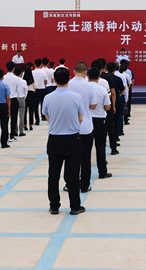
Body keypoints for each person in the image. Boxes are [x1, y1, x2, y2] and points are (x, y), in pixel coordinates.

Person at [42, 67, 85, 215]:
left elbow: (47, 117)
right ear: (69, 79)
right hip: (72, 138)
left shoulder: (48, 98)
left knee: (53, 174)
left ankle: (54, 205)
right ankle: (74, 206)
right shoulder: (76, 97)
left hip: (54, 139)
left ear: (55, 79)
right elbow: (80, 118)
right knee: (72, 175)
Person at [68, 62, 98, 192]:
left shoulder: (68, 84)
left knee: (70, 158)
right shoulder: (90, 86)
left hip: (70, 127)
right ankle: (85, 185)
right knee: (85, 158)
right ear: (86, 72)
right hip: (86, 126)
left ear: (74, 71)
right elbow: (93, 106)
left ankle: (69, 184)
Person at [88, 67, 112, 181]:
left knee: (85, 149)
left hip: (87, 121)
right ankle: (102, 172)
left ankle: (83, 174)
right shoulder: (102, 89)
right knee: (100, 147)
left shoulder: (84, 89)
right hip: (99, 120)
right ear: (99, 77)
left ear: (87, 76)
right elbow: (107, 107)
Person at [0, 69, 12, 149]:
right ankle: (4, 142)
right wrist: (9, 109)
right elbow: (8, 98)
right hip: (3, 106)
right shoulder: (5, 85)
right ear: (2, 76)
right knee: (4, 125)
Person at [14, 66, 28, 135]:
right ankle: (21, 131)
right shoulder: (23, 81)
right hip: (22, 98)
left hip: (15, 98)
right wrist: (24, 97)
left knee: (14, 115)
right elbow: (26, 91)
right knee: (22, 115)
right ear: (21, 73)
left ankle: (15, 131)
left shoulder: (14, 80)